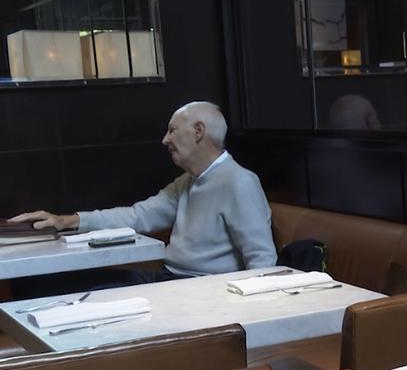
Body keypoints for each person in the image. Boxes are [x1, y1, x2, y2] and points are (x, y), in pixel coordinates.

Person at [11, 101, 277, 289]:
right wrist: (67, 221)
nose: (164, 139)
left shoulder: (240, 182)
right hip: (168, 279)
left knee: (82, 295)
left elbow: (263, 260)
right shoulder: (188, 181)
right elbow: (138, 216)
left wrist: (242, 317)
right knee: (41, 284)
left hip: (198, 289)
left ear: (198, 132)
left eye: (172, 130)